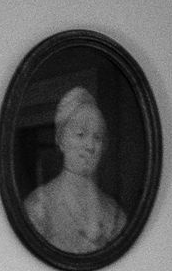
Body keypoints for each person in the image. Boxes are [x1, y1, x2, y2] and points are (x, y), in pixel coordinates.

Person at [23, 86, 127, 254]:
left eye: (98, 137)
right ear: (61, 140)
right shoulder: (39, 206)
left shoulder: (114, 213)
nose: (90, 146)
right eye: (80, 134)